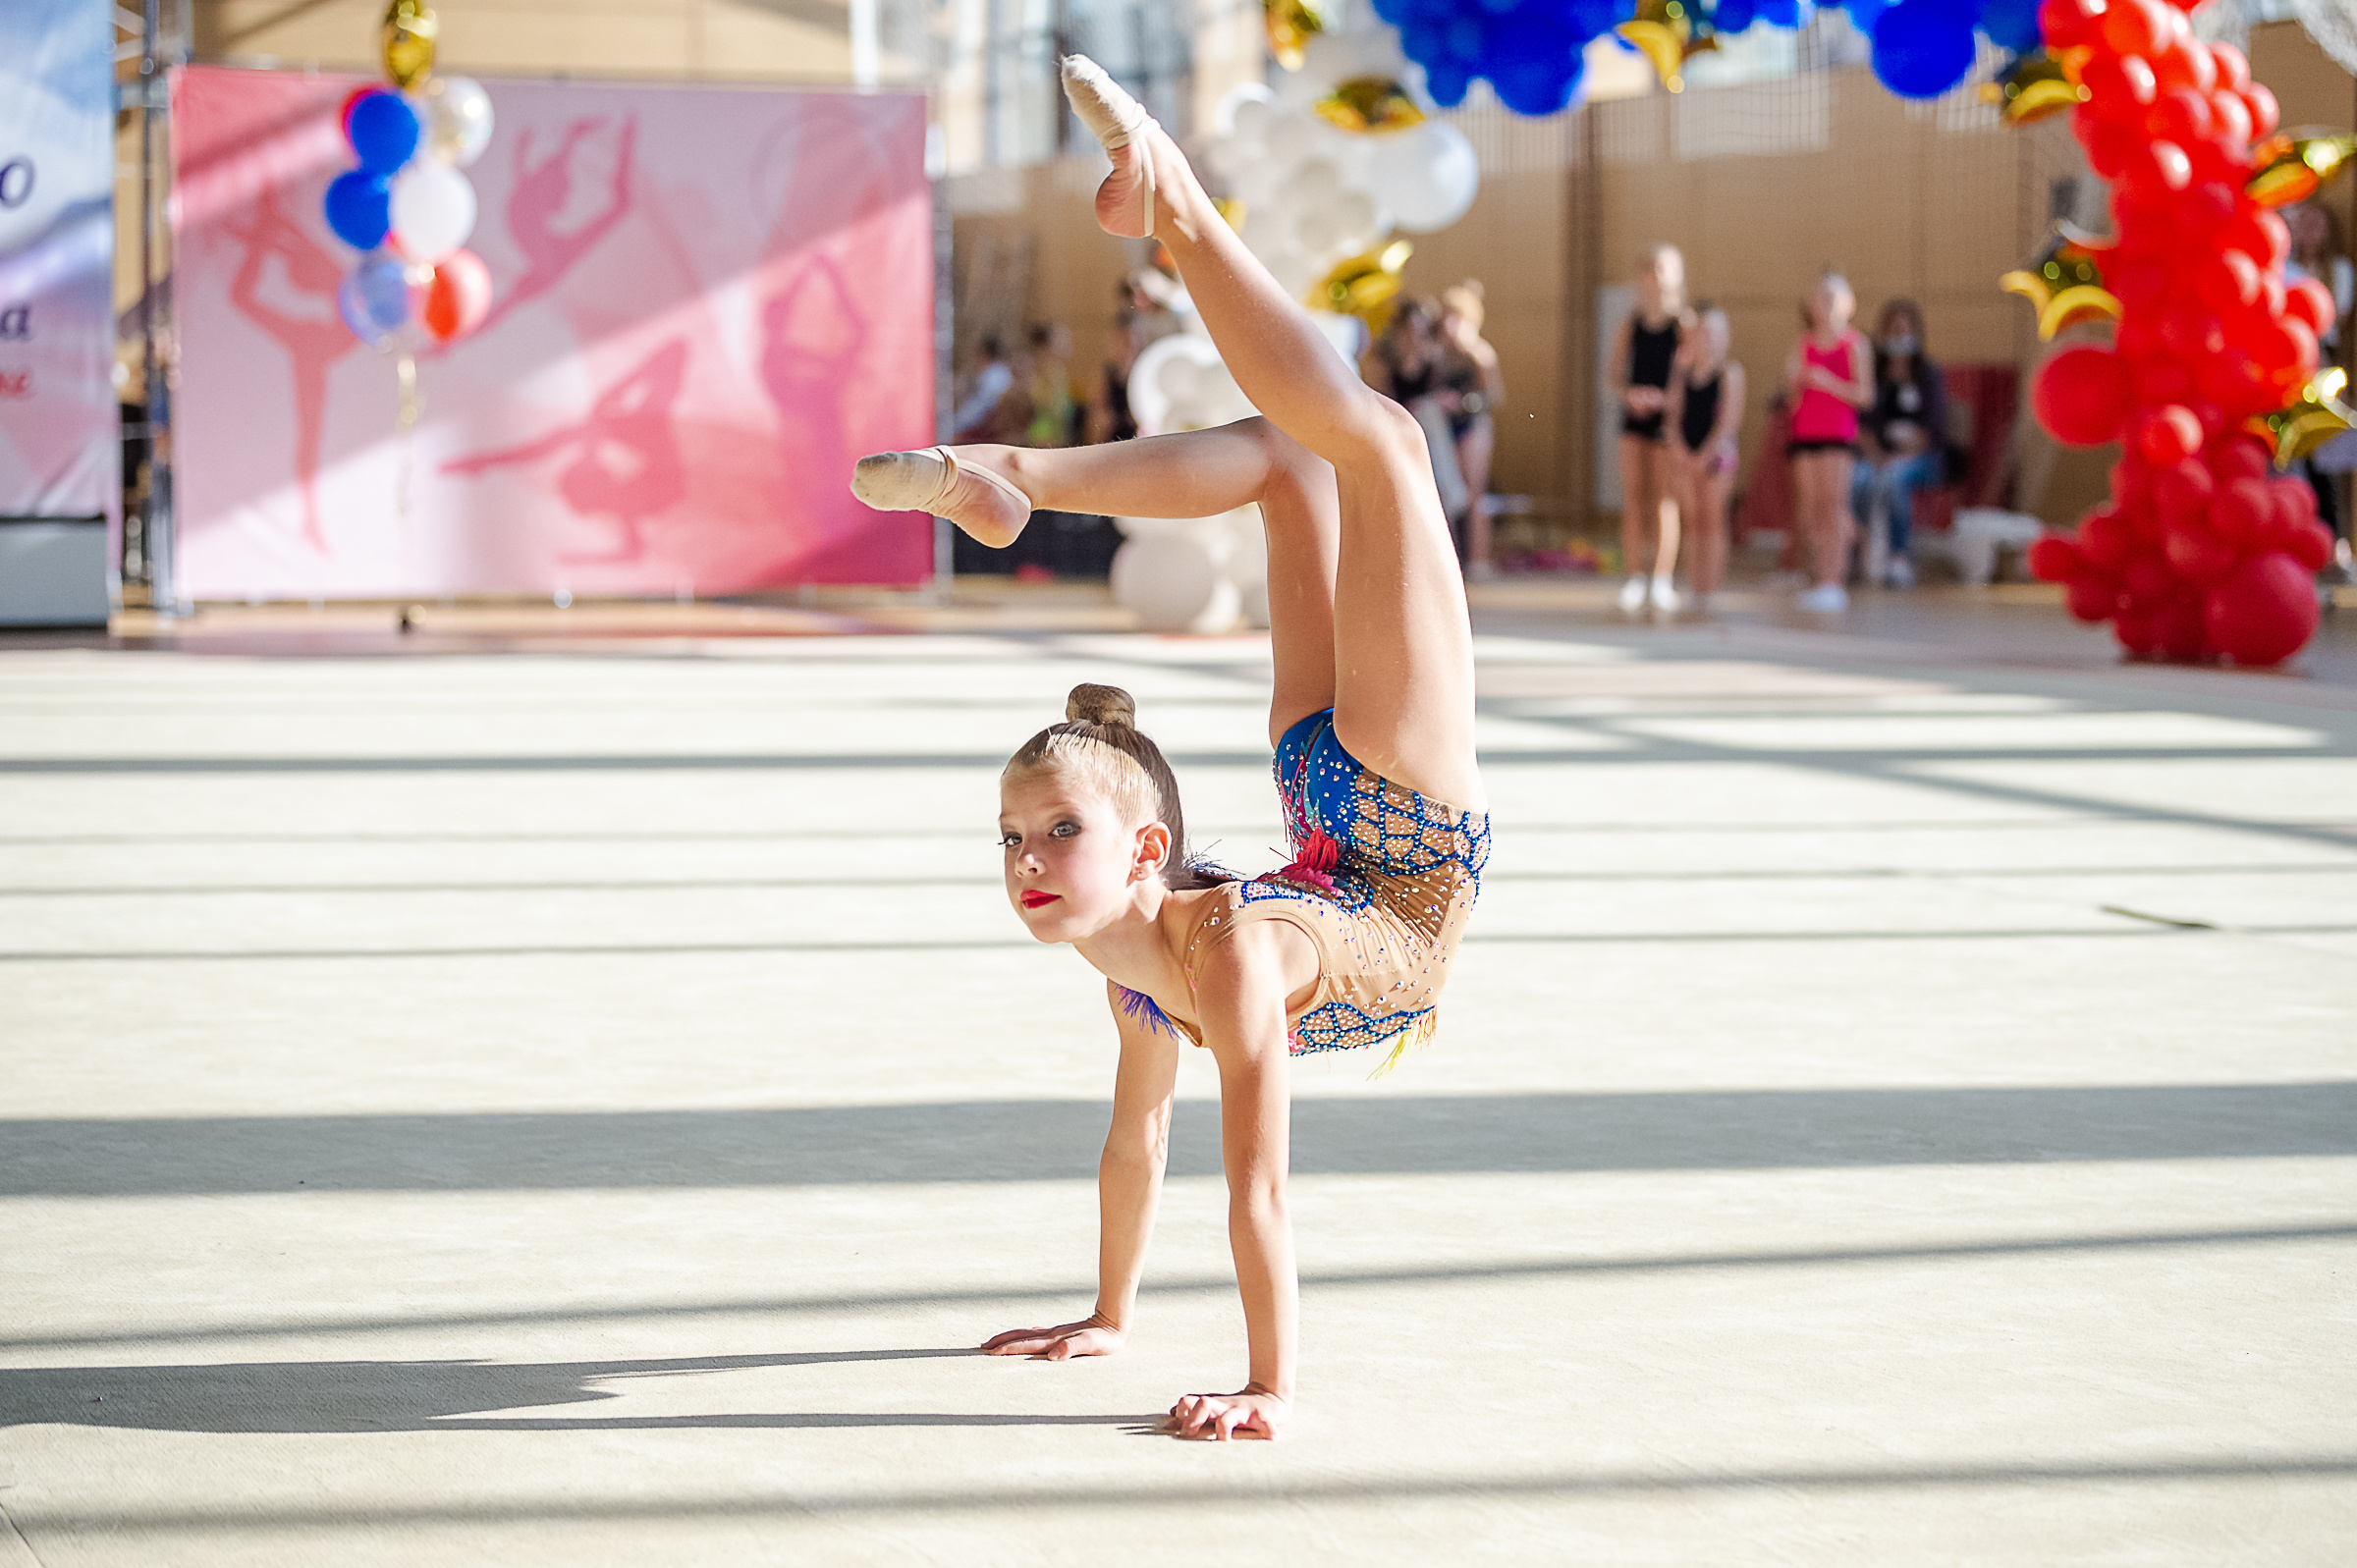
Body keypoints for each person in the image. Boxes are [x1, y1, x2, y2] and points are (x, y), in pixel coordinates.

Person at [849, 55, 1490, 1443]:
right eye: (1016, 840)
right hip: (1363, 834)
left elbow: (1252, 1188)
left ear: (1144, 850)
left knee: (1342, 449)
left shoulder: (1214, 954)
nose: (1025, 861)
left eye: (1052, 835)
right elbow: (1135, 1145)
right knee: (1342, 448)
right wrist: (1111, 1316)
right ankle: (1033, 453)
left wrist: (1268, 1389)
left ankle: (1039, 443)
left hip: (1371, 820)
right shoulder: (1146, 963)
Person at [1781, 273, 1873, 613]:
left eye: (1833, 297)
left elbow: (1865, 395)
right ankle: (1819, 578)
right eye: (1820, 297)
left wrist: (1827, 381)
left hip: (1837, 436)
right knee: (1814, 508)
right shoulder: (1802, 344)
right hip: (1805, 434)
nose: (1826, 303)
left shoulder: (1855, 345)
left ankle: (1835, 581)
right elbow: (1791, 398)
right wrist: (1796, 382)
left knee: (1834, 507)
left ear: (1848, 304)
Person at [1609, 244, 1688, 615]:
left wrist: (1666, 400)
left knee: (1663, 500)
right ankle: (1635, 576)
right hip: (1635, 417)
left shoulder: (1682, 324)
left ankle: (1661, 578)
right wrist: (1630, 395)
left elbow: (1688, 376)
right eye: (1651, 270)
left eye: (1664, 270)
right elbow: (1614, 372)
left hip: (1666, 420)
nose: (1657, 277)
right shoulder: (1633, 322)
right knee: (1635, 497)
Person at [1848, 298, 1948, 590]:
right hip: (1878, 454)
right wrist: (1875, 454)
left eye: (1904, 329)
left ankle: (1898, 555)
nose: (1899, 335)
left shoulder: (1928, 374)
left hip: (1921, 458)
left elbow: (1933, 427)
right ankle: (1856, 552)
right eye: (1893, 329)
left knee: (1893, 479)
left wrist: (1902, 455)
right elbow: (1863, 424)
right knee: (1860, 479)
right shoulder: (1876, 374)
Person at [1362, 297, 1470, 526]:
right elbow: (1380, 402)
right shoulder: (1386, 364)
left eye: (1419, 331)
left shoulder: (1432, 364)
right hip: (1397, 431)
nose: (1414, 338)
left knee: (1430, 419)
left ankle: (1450, 499)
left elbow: (1450, 399)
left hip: (1428, 435)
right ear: (1400, 332)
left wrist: (1432, 402)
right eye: (1409, 331)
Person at [1664, 303, 1744, 613]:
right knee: (1692, 519)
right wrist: (1681, 451)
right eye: (1701, 332)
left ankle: (1709, 588)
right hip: (1687, 453)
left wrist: (1704, 456)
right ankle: (1695, 586)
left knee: (1712, 519)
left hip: (1716, 457)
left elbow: (1728, 423)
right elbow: (1672, 416)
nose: (1707, 338)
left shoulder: (1729, 373)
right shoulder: (1682, 373)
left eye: (1713, 333)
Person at [1439, 282, 1505, 576]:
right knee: (1449, 491)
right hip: (1446, 427)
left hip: (1473, 425)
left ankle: (1479, 559)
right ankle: (1449, 559)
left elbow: (1495, 395)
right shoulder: (1440, 354)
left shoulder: (1480, 353)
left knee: (1475, 492)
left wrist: (1463, 403)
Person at [1086, 306, 1143, 444]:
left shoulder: (1142, 372)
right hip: (1113, 440)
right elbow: (1096, 417)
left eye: (1132, 339)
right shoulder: (1106, 374)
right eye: (1124, 339)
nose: (1129, 344)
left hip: (1138, 441)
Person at [1023, 321, 1080, 448]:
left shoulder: (1058, 371)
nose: (1067, 342)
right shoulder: (1038, 370)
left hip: (1059, 432)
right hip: (1043, 434)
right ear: (1049, 344)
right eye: (1061, 338)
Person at [952, 334, 1016, 443]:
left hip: (986, 426)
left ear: (984, 354)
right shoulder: (1003, 372)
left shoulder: (992, 376)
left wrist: (956, 423)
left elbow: (980, 405)